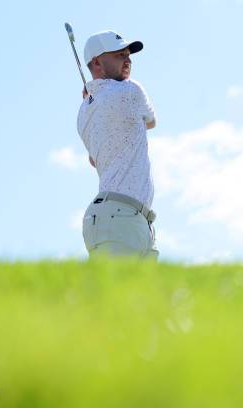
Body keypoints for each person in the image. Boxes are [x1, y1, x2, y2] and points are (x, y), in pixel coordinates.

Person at [77, 30, 158, 258]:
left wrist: (94, 101)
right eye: (119, 55)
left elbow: (94, 160)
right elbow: (151, 122)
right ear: (97, 63)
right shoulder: (130, 90)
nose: (128, 59)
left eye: (128, 55)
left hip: (128, 220)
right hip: (120, 219)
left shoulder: (83, 114)